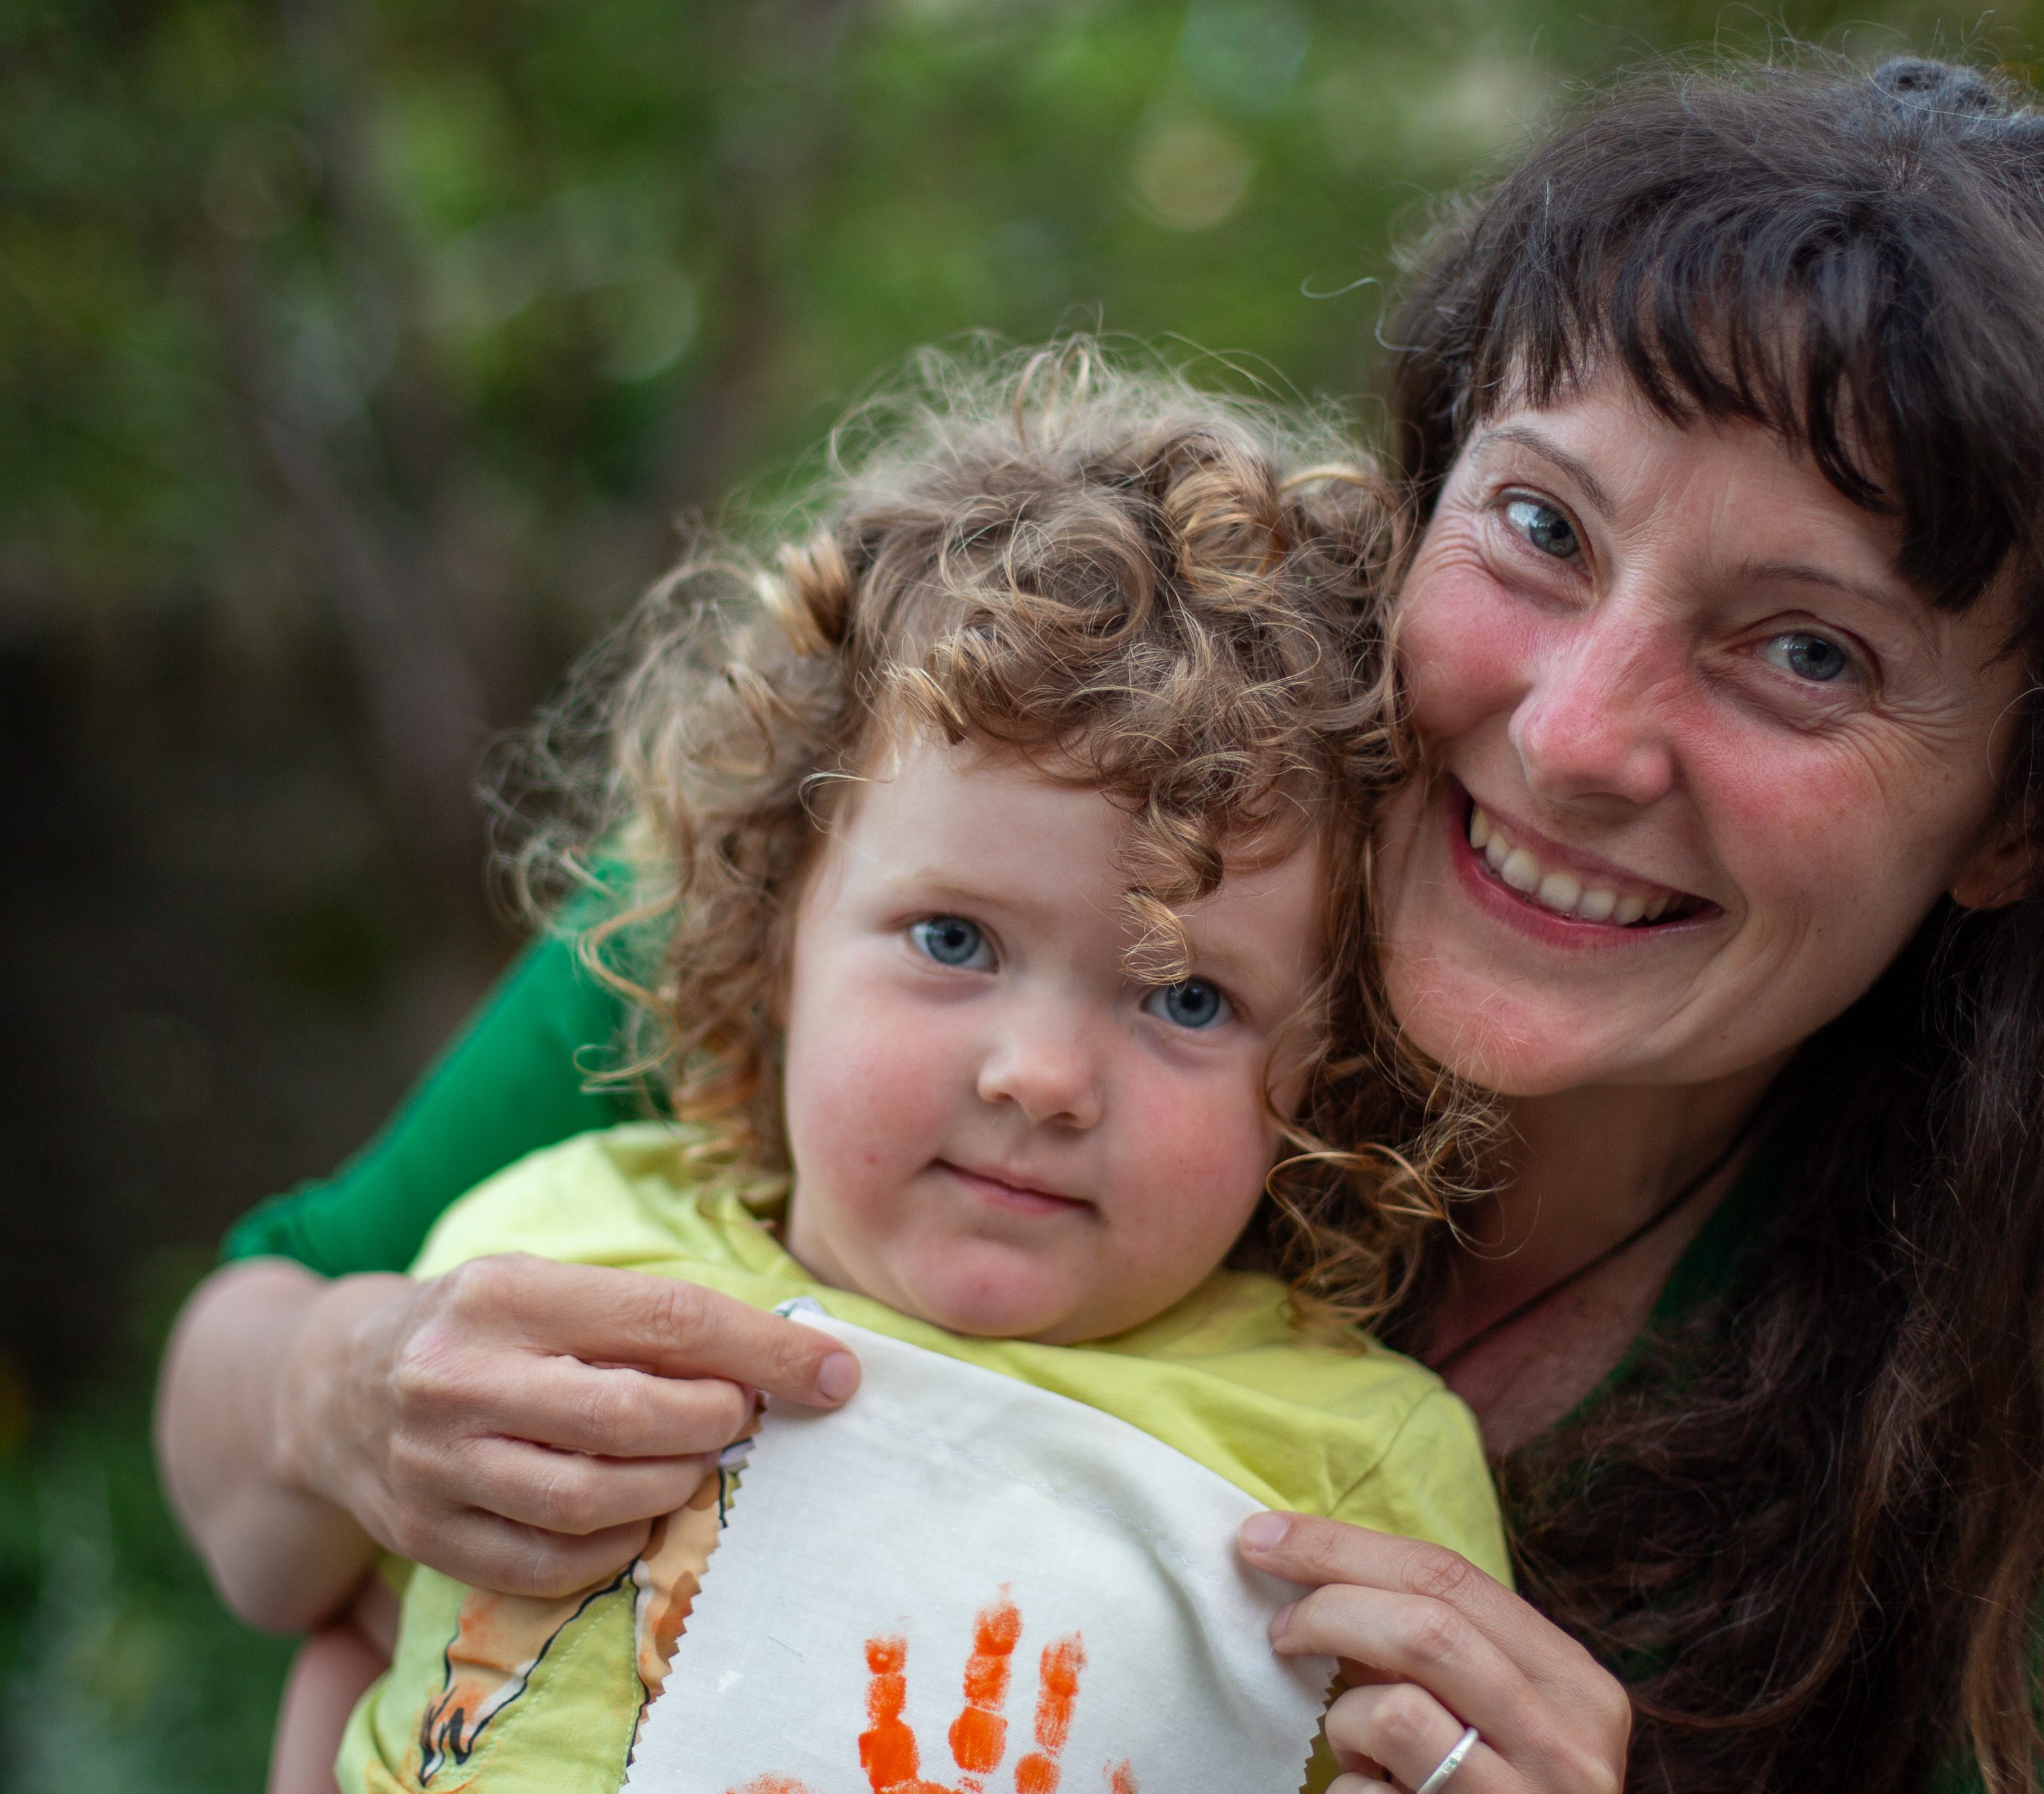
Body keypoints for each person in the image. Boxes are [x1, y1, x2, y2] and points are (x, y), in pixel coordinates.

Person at [157, 53, 2044, 1794]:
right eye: (1540, 528)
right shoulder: (963, 838)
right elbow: (255, 1425)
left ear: (2024, 814)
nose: (1572, 733)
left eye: (1807, 653)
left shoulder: (1995, 1483)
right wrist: (345, 1405)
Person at [320, 355, 1509, 1792]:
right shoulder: (543, 1257)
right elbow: (358, 1642)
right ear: (768, 932)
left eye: (1188, 996)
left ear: (1322, 1071)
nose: (1044, 1076)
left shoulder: (1356, 1468)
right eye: (955, 939)